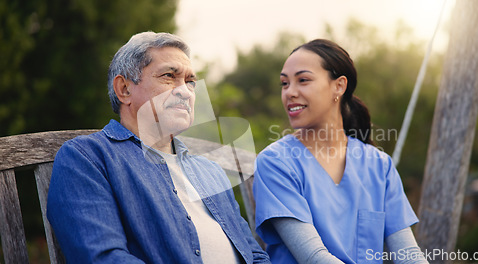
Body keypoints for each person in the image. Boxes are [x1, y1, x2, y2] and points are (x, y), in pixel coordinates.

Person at [47, 31, 270, 264]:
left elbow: (253, 254)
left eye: (190, 81)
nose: (185, 91)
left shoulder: (211, 172)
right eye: (169, 76)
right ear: (124, 89)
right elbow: (103, 258)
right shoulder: (88, 158)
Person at [253, 39, 428, 264]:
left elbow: (408, 254)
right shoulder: (275, 162)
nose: (290, 92)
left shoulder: (379, 165)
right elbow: (314, 258)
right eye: (284, 84)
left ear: (339, 86)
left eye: (303, 80)